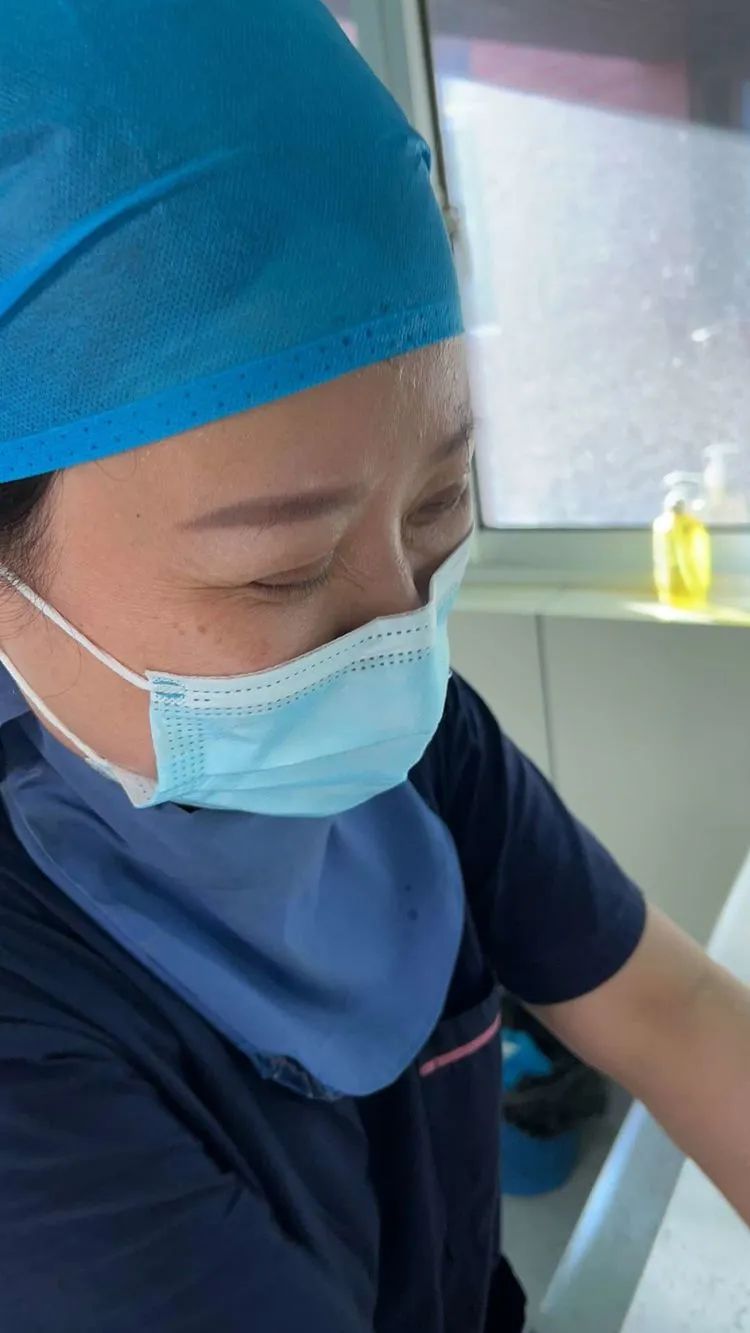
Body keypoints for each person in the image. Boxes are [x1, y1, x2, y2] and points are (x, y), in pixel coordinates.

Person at [0, 3, 748, 1331]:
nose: (397, 634)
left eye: (440, 505)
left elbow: (672, 1010)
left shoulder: (414, 742)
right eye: (280, 572)